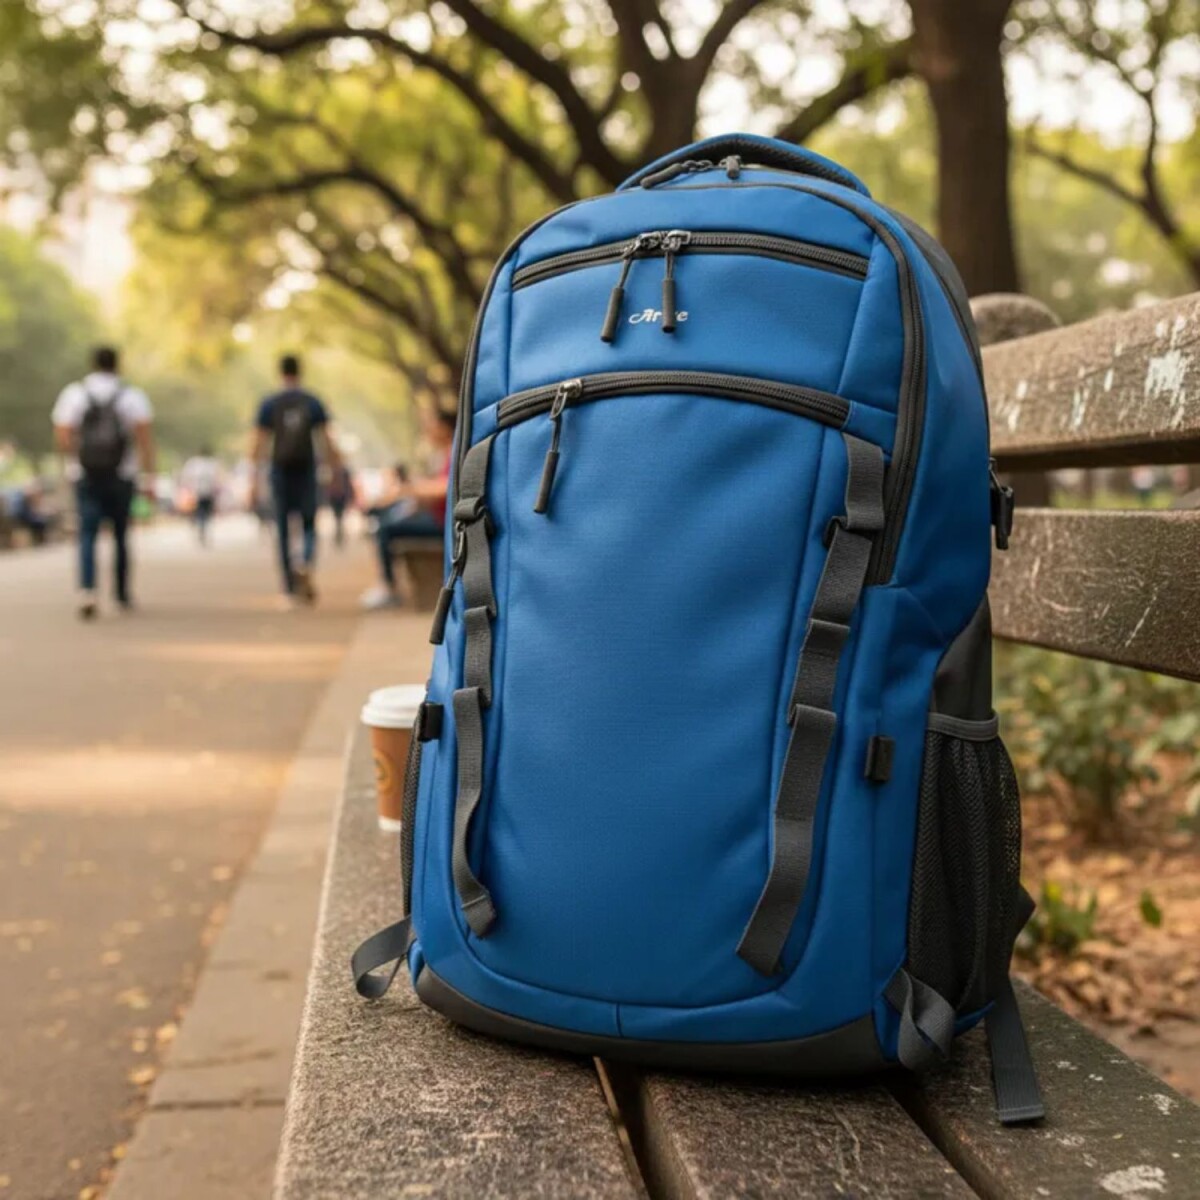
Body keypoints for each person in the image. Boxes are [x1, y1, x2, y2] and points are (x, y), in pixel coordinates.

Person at [52, 346, 155, 619]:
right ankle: (121, 594)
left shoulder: (74, 394)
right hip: (122, 474)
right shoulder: (132, 396)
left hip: (85, 474)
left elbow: (63, 435)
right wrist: (149, 477)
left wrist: (75, 459)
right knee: (121, 534)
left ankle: (88, 590)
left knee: (87, 533)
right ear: (117, 365)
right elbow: (144, 440)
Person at [250, 354, 340, 607]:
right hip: (306, 469)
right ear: (300, 371)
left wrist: (254, 478)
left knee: (282, 527)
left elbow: (258, 443)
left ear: (280, 372)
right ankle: (306, 561)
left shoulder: (270, 403)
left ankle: (289, 587)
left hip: (279, 470)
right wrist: (334, 470)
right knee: (309, 522)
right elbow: (325, 439)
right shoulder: (312, 401)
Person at [360, 408, 454, 611]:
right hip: (437, 517)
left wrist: (409, 489)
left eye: (433, 425)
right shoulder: (442, 453)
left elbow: (446, 487)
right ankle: (388, 584)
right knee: (386, 518)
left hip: (444, 523)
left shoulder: (455, 450)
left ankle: (389, 588)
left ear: (445, 428)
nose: (428, 429)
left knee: (386, 529)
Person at [180, 447, 222, 546]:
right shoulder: (211, 464)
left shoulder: (194, 463)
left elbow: (186, 477)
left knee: (201, 513)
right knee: (204, 513)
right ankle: (202, 529)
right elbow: (217, 479)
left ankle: (201, 528)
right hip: (205, 493)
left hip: (199, 493)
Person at [326, 460, 355, 548]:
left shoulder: (337, 471)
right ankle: (339, 534)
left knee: (339, 518)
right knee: (338, 518)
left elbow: (348, 485)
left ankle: (339, 534)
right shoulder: (333, 470)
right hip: (337, 497)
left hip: (339, 497)